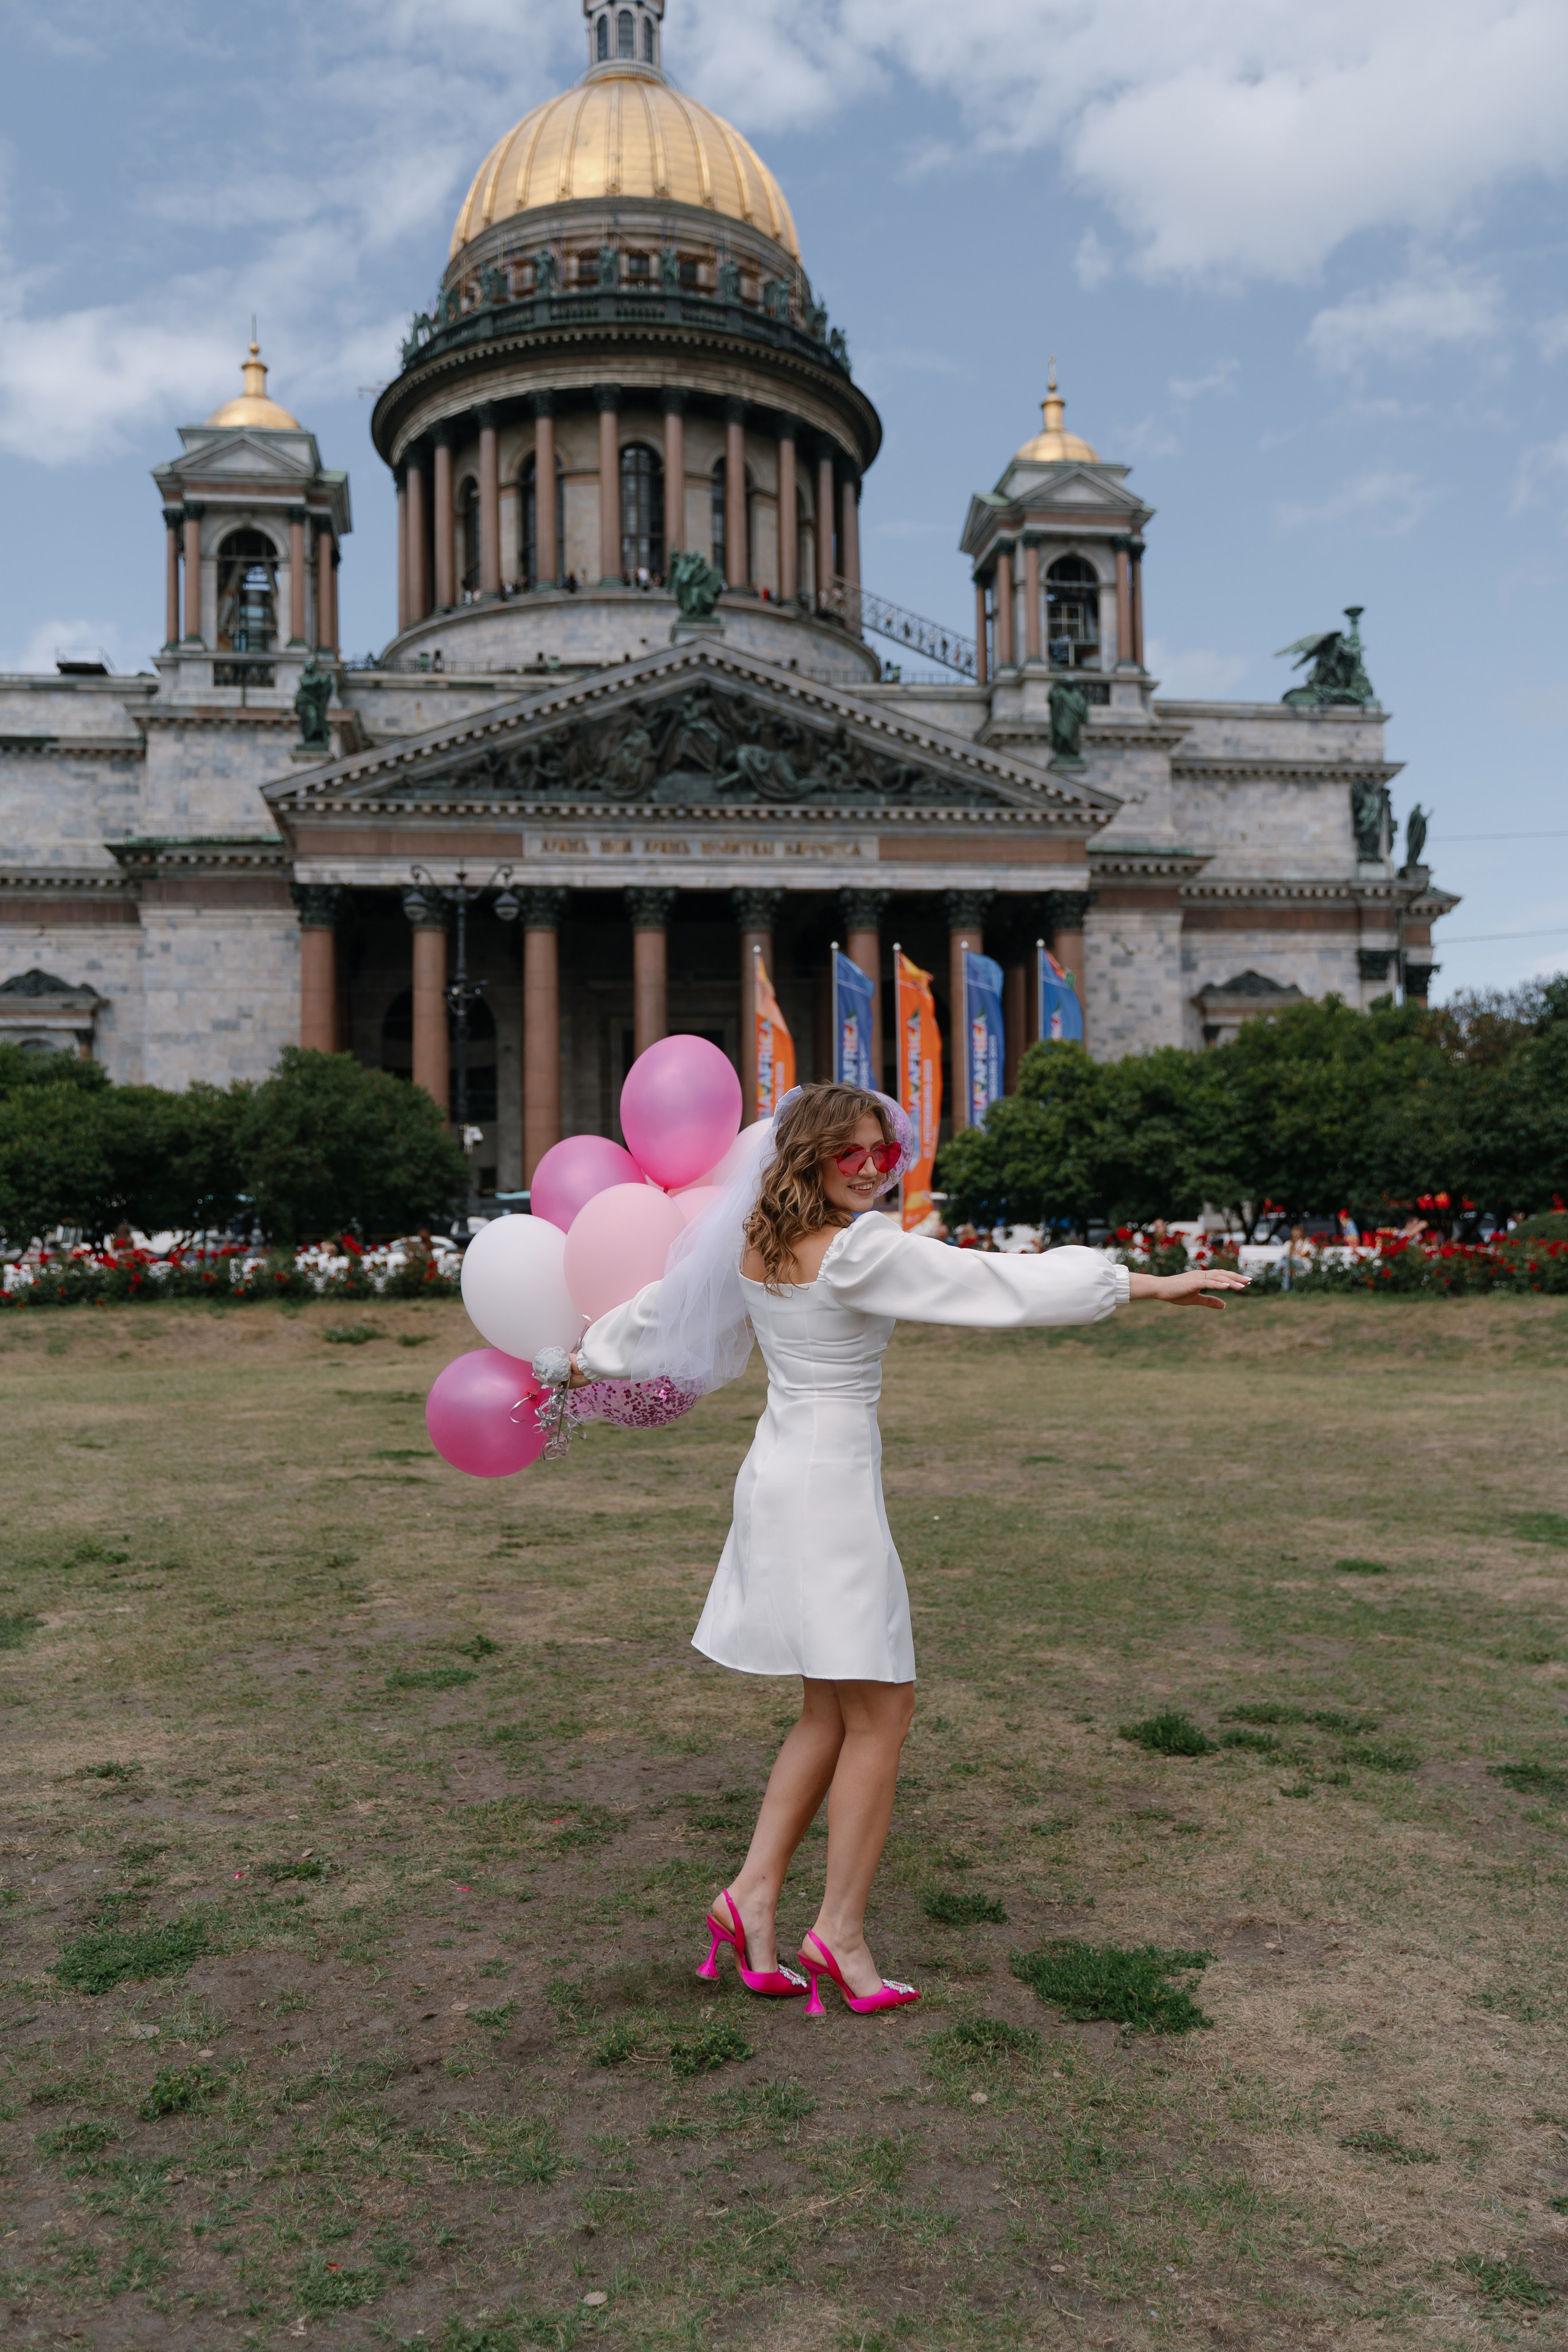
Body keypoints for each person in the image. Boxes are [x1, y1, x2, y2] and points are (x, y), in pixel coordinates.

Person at [567, 1084, 1248, 2017]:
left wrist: (572, 1356)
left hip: (782, 1477)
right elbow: (994, 1285)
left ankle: (751, 1897)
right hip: (828, 1496)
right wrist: (1143, 1283)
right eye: (854, 1153)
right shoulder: (856, 1253)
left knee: (829, 1712)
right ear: (808, 1155)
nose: (875, 1170)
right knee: (882, 1712)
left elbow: (655, 1314)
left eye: (885, 1154)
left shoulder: (754, 1242)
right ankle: (837, 1932)